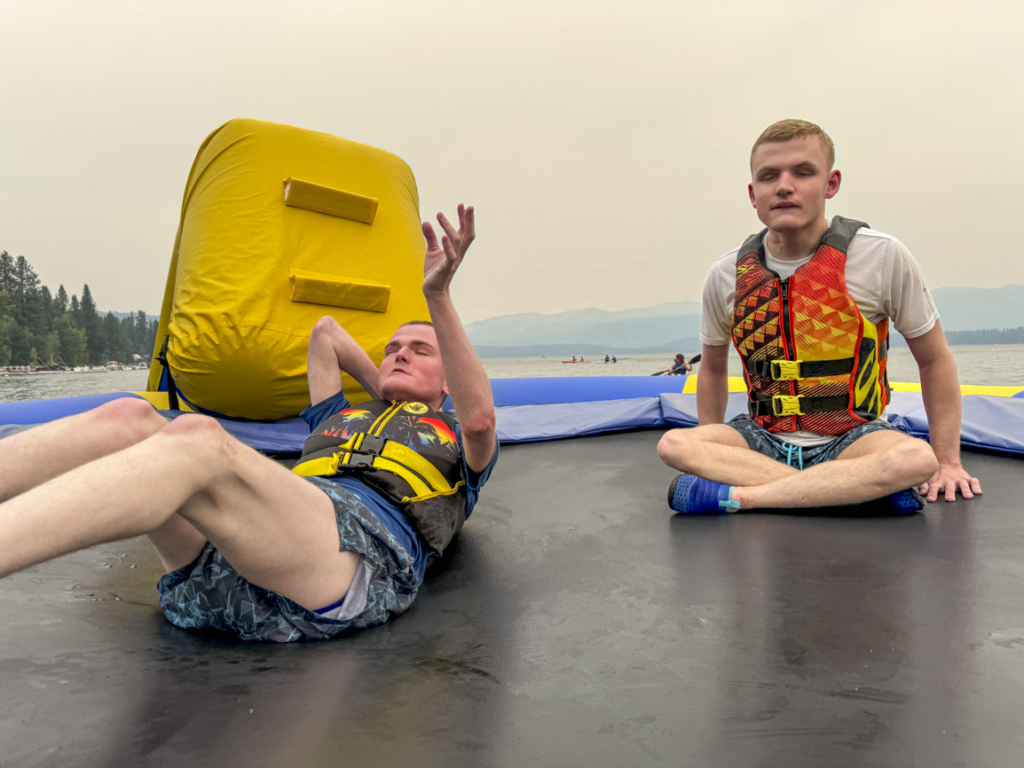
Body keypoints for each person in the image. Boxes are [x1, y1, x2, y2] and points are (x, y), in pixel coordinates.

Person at [0, 204, 498, 642]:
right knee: (127, 417)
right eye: (391, 349)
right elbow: (325, 333)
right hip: (227, 573)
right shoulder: (343, 416)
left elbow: (479, 419)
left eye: (419, 350)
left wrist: (436, 297)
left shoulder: (458, 440)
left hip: (348, 571)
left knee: (197, 440)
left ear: (449, 378)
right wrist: (383, 390)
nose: (399, 354)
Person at [657, 120, 981, 515]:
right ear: (752, 193)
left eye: (803, 172)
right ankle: (846, 491)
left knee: (916, 461)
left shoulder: (882, 256)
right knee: (676, 444)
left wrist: (948, 462)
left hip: (853, 437)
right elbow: (710, 370)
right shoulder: (726, 274)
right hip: (762, 437)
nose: (784, 186)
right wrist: (712, 444)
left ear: (831, 184)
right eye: (769, 176)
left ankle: (746, 496)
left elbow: (934, 359)